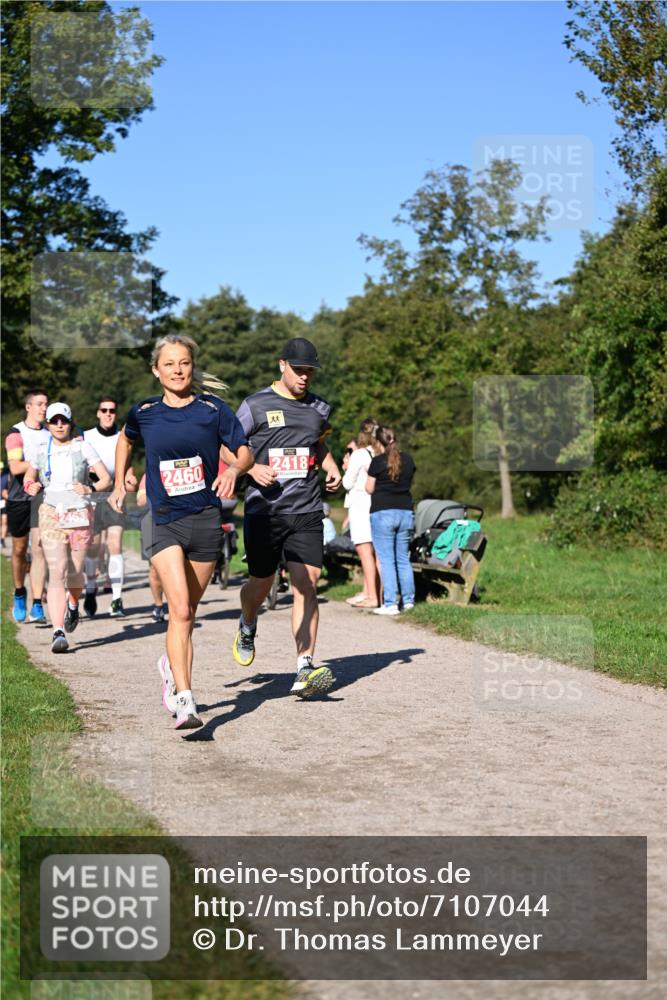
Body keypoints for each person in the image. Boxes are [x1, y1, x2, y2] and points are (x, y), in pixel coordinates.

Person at [109, 333, 253, 731]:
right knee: (182, 609)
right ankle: (186, 702)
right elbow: (125, 440)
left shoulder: (213, 409)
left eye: (184, 363)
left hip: (205, 518)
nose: (177, 369)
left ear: (192, 367)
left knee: (185, 614)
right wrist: (121, 482)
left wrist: (233, 471)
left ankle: (169, 666)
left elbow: (244, 451)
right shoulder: (145, 411)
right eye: (169, 364)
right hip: (163, 517)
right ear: (156, 370)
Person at [234, 337, 342, 697]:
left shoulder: (319, 407)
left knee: (306, 583)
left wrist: (331, 466)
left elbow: (318, 443)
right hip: (265, 510)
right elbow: (227, 444)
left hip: (307, 508)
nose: (305, 377)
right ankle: (248, 622)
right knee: (260, 585)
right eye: (299, 370)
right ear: (282, 365)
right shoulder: (254, 405)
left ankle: (304, 667)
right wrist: (250, 470)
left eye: (310, 371)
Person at [23, 403, 112, 652]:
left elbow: (106, 479)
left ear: (70, 423)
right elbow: (29, 477)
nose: (59, 425)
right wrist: (31, 485)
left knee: (75, 571)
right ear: (48, 424)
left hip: (80, 514)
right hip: (51, 512)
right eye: (54, 421)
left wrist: (90, 488)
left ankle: (73, 603)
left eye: (63, 421)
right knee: (58, 569)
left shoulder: (83, 447)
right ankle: (58, 631)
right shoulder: (42, 450)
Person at [83, 398, 136, 618]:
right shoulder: (86, 436)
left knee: (114, 544)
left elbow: (128, 468)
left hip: (115, 493)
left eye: (112, 411)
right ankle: (91, 589)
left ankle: (116, 599)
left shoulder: (122, 438)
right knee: (93, 547)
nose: (108, 414)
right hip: (92, 493)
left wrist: (131, 480)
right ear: (98, 413)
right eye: (104, 410)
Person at [4, 389, 50, 623]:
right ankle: (20, 592)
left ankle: (38, 603)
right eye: (40, 404)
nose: (44, 408)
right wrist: (40, 461)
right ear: (28, 407)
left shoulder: (51, 433)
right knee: (20, 550)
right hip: (18, 498)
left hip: (42, 497)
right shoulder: (15, 434)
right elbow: (15, 468)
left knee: (40, 548)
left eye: (46, 404)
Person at [365, 425, 416, 615]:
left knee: (386, 560)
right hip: (405, 512)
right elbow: (408, 482)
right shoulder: (408, 460)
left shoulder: (377, 462)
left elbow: (369, 488)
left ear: (378, 442)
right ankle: (409, 602)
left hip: (382, 512)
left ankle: (390, 604)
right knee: (403, 558)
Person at [342, 417, 382, 608]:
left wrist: (346, 467)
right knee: (376, 553)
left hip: (360, 504)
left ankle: (372, 597)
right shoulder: (381, 452)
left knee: (364, 551)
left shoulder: (359, 455)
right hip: (379, 503)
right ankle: (373, 592)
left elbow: (347, 482)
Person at [136, 473, 167, 623]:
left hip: (179, 521)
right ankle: (159, 605)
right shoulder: (150, 473)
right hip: (153, 521)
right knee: (155, 569)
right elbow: (140, 501)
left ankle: (177, 605)